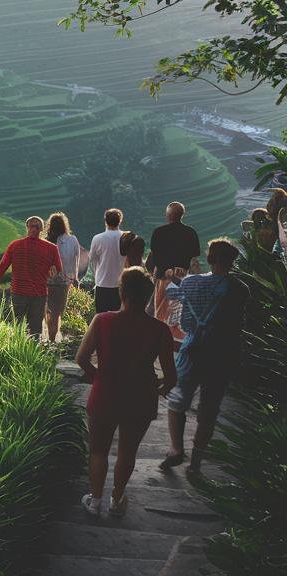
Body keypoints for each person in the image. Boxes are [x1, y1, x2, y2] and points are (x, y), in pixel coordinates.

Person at [77, 267, 177, 517]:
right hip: (141, 397)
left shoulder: (102, 320)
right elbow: (171, 377)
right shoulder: (160, 330)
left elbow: (82, 359)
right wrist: (159, 388)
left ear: (122, 291)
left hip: (105, 393)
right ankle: (117, 499)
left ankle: (96, 500)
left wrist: (98, 378)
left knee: (98, 451)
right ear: (147, 295)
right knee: (128, 451)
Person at [161, 239, 249, 474]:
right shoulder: (241, 289)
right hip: (222, 355)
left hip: (193, 352)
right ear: (232, 261)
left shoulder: (190, 283)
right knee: (209, 409)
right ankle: (196, 462)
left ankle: (176, 449)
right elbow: (238, 325)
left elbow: (185, 323)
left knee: (177, 401)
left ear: (210, 259)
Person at [0, 216, 63, 339]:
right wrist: (50, 271)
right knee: (35, 330)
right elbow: (59, 269)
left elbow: (2, 266)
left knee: (17, 328)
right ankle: (33, 355)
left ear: (26, 227)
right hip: (39, 294)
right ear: (42, 230)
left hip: (18, 292)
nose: (34, 229)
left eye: (35, 226)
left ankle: (17, 354)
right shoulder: (51, 248)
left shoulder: (15, 245)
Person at [148, 201, 200, 335]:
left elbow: (155, 256)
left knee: (161, 310)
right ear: (182, 215)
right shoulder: (190, 232)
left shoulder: (158, 232)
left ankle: (160, 338)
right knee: (178, 312)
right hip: (182, 278)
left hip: (163, 276)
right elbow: (194, 258)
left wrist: (162, 269)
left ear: (168, 215)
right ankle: (176, 338)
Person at [44, 212, 86, 343]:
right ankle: (52, 339)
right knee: (57, 312)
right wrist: (75, 278)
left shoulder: (45, 241)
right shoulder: (72, 240)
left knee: (48, 310)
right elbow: (76, 260)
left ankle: (48, 336)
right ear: (65, 225)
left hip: (47, 281)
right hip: (64, 282)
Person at [87, 209, 126, 314]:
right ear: (120, 221)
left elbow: (92, 260)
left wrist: (97, 275)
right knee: (119, 318)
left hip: (102, 284)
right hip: (121, 284)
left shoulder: (97, 238)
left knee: (102, 317)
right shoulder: (126, 237)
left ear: (105, 221)